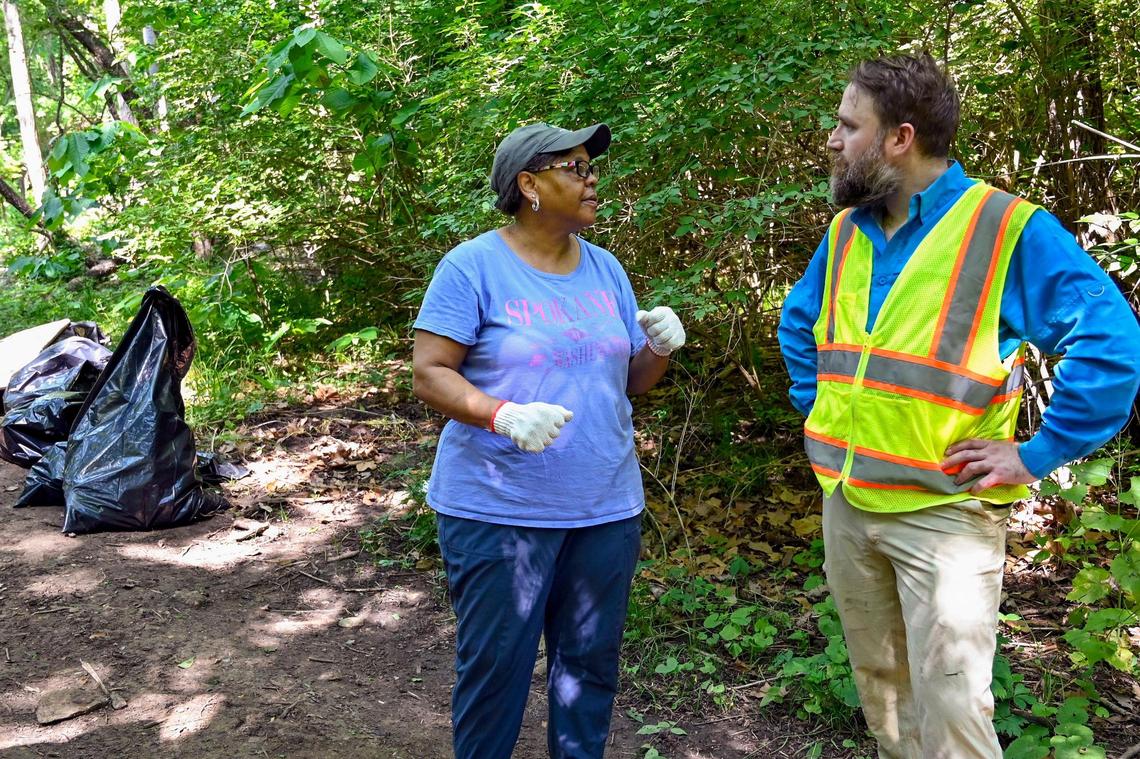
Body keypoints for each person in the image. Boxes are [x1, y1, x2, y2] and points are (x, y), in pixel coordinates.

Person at [778, 54, 1140, 758]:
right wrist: (816, 407)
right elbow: (801, 321)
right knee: (882, 693)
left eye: (848, 125)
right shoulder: (848, 228)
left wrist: (1036, 453)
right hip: (848, 503)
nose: (832, 139)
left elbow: (1113, 342)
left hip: (944, 515)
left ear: (899, 139)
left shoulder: (1006, 228)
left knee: (952, 709)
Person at [411, 121, 685, 759]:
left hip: (604, 507)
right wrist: (500, 413)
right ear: (529, 185)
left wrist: (658, 347)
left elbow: (632, 381)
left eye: (594, 169)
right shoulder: (472, 266)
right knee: (496, 672)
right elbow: (430, 373)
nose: (593, 181)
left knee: (588, 671)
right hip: (499, 510)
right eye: (577, 169)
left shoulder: (606, 268)